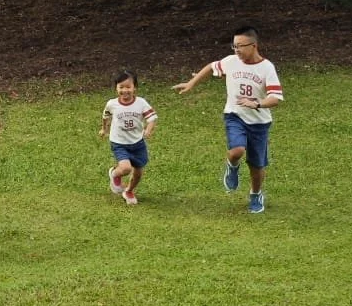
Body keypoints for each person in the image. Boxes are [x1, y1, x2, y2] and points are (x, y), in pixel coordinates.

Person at [174, 25, 284, 214]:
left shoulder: (267, 68)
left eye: (241, 46)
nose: (237, 50)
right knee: (236, 151)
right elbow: (211, 67)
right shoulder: (231, 61)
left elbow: (276, 97)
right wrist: (192, 83)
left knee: (257, 165)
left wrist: (257, 103)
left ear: (254, 45)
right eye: (234, 46)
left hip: (259, 122)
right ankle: (232, 166)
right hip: (235, 115)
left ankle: (255, 194)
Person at [99, 69, 157, 205]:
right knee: (125, 168)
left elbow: (152, 118)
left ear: (135, 88)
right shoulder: (112, 104)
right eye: (121, 87)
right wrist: (103, 129)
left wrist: (148, 130)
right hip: (119, 142)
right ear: (116, 88)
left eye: (128, 87)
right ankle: (114, 173)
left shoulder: (141, 103)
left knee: (138, 172)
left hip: (137, 143)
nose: (125, 90)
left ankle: (129, 191)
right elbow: (105, 116)